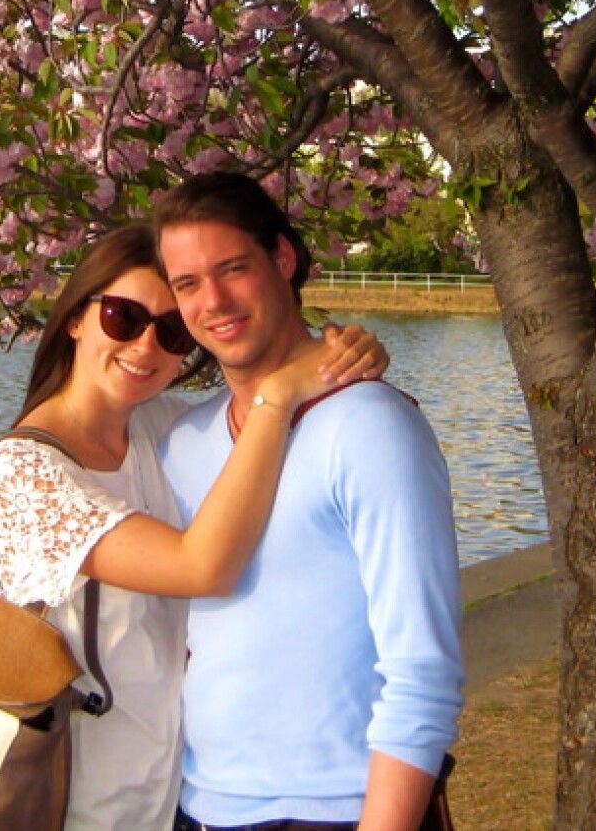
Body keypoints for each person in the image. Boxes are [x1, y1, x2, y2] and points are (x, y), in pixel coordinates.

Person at [0, 223, 388, 831]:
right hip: (83, 800)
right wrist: (280, 395)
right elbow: (202, 567)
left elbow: (268, 454)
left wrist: (343, 354)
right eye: (122, 317)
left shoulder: (162, 426)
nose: (145, 346)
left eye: (171, 331)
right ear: (76, 317)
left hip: (182, 790)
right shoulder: (21, 474)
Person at [154, 173, 463, 831]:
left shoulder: (369, 426)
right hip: (198, 807)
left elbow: (423, 668)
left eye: (233, 269)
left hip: (338, 809)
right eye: (188, 284)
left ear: (283, 258)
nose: (214, 301)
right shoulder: (183, 441)